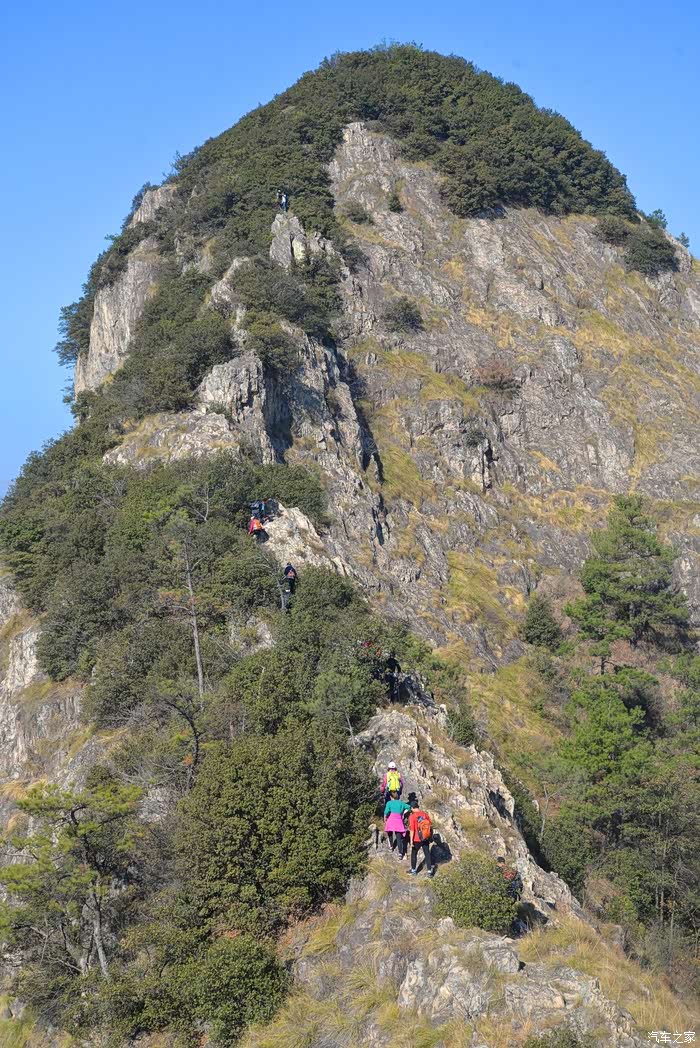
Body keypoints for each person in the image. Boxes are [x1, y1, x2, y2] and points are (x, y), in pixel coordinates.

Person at [408, 798, 435, 877]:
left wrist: (411, 841)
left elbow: (412, 830)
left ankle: (413, 871)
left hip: (416, 838)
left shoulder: (412, 816)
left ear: (412, 808)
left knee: (414, 854)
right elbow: (430, 825)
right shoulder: (424, 814)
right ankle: (429, 871)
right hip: (425, 837)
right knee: (427, 854)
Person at [384, 790, 411, 860]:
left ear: (391, 797)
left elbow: (386, 812)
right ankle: (400, 853)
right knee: (399, 837)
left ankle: (391, 846)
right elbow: (409, 807)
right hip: (399, 820)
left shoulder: (389, 803)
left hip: (391, 819)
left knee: (389, 832)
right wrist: (403, 813)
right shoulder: (401, 803)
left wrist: (385, 818)